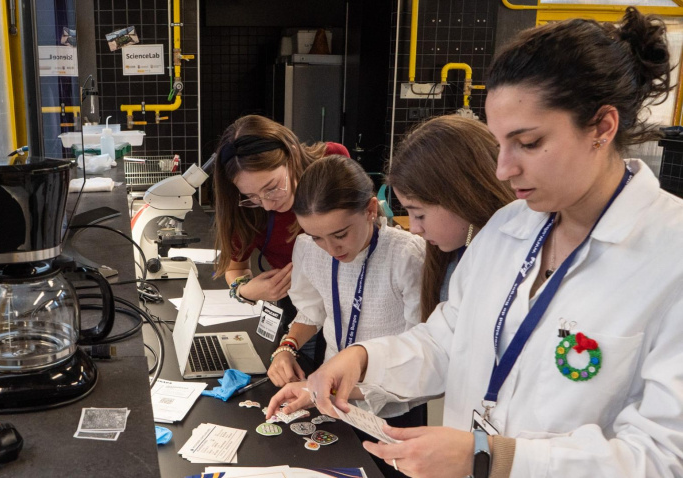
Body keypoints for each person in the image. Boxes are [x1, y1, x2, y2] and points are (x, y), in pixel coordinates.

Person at [268, 8, 683, 477]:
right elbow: (447, 341)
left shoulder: (670, 256)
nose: (504, 169)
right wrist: (364, 361)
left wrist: (495, 457)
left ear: (602, 127)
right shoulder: (509, 229)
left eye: (527, 143)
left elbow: (666, 456)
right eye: (500, 143)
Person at [267, 155, 426, 478]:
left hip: (393, 407)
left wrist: (323, 389)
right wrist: (287, 347)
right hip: (333, 400)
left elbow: (423, 353)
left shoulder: (407, 254)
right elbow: (312, 310)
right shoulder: (308, 249)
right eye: (317, 237)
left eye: (340, 234)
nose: (330, 248)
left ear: (369, 210)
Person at [213, 115, 349, 362]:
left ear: (293, 155)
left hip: (350, 302)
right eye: (251, 195)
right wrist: (245, 290)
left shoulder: (331, 163)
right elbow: (236, 268)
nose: (265, 204)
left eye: (272, 187)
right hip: (299, 313)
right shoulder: (248, 212)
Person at [388, 115, 514, 320]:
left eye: (419, 214)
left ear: (463, 197)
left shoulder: (512, 262)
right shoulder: (452, 251)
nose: (414, 228)